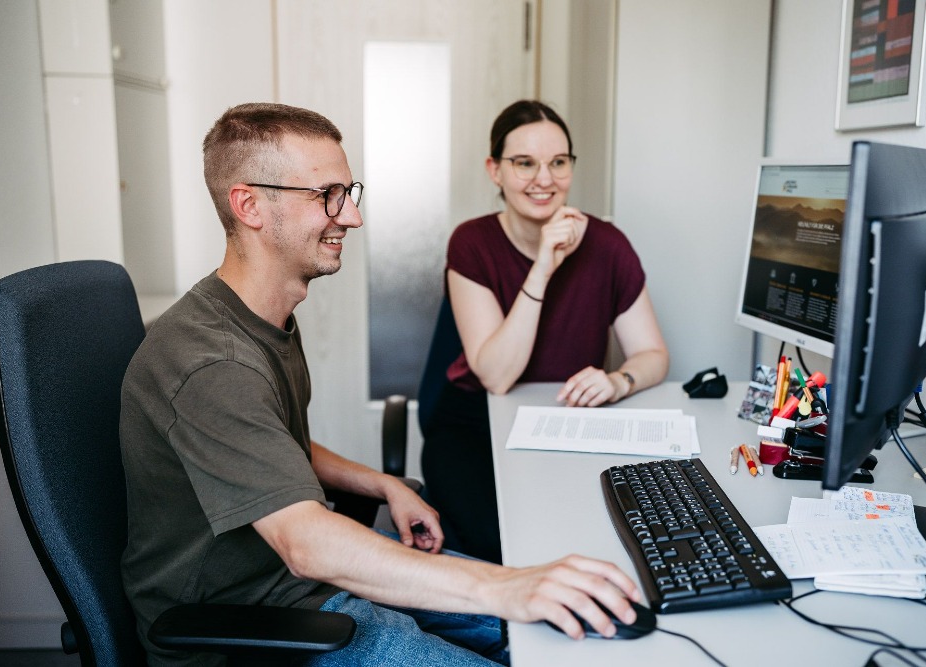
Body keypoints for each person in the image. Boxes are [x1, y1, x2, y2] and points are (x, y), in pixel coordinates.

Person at [119, 102, 644, 667]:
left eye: (350, 193)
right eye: (327, 196)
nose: (352, 217)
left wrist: (381, 483)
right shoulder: (211, 363)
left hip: (302, 585)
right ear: (248, 205)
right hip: (253, 621)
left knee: (565, 634)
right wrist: (504, 587)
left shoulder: (257, 317)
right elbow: (306, 544)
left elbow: (272, 446)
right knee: (519, 613)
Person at [421, 100, 670, 564]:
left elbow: (652, 353)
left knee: (600, 536)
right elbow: (497, 375)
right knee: (511, 548)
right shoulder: (471, 243)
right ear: (495, 170)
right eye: (524, 164)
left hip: (567, 418)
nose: (544, 179)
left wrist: (620, 380)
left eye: (558, 163)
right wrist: (542, 268)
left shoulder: (607, 244)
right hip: (474, 422)